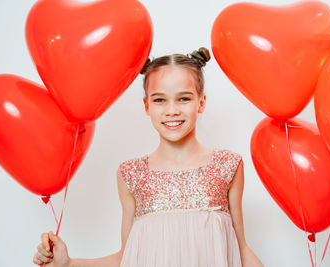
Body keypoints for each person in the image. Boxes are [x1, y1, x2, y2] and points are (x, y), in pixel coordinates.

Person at [33, 47, 264, 267]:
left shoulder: (227, 166)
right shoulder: (131, 174)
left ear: (201, 103)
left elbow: (240, 250)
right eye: (159, 100)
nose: (172, 110)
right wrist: (70, 263)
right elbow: (128, 257)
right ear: (146, 105)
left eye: (183, 99)